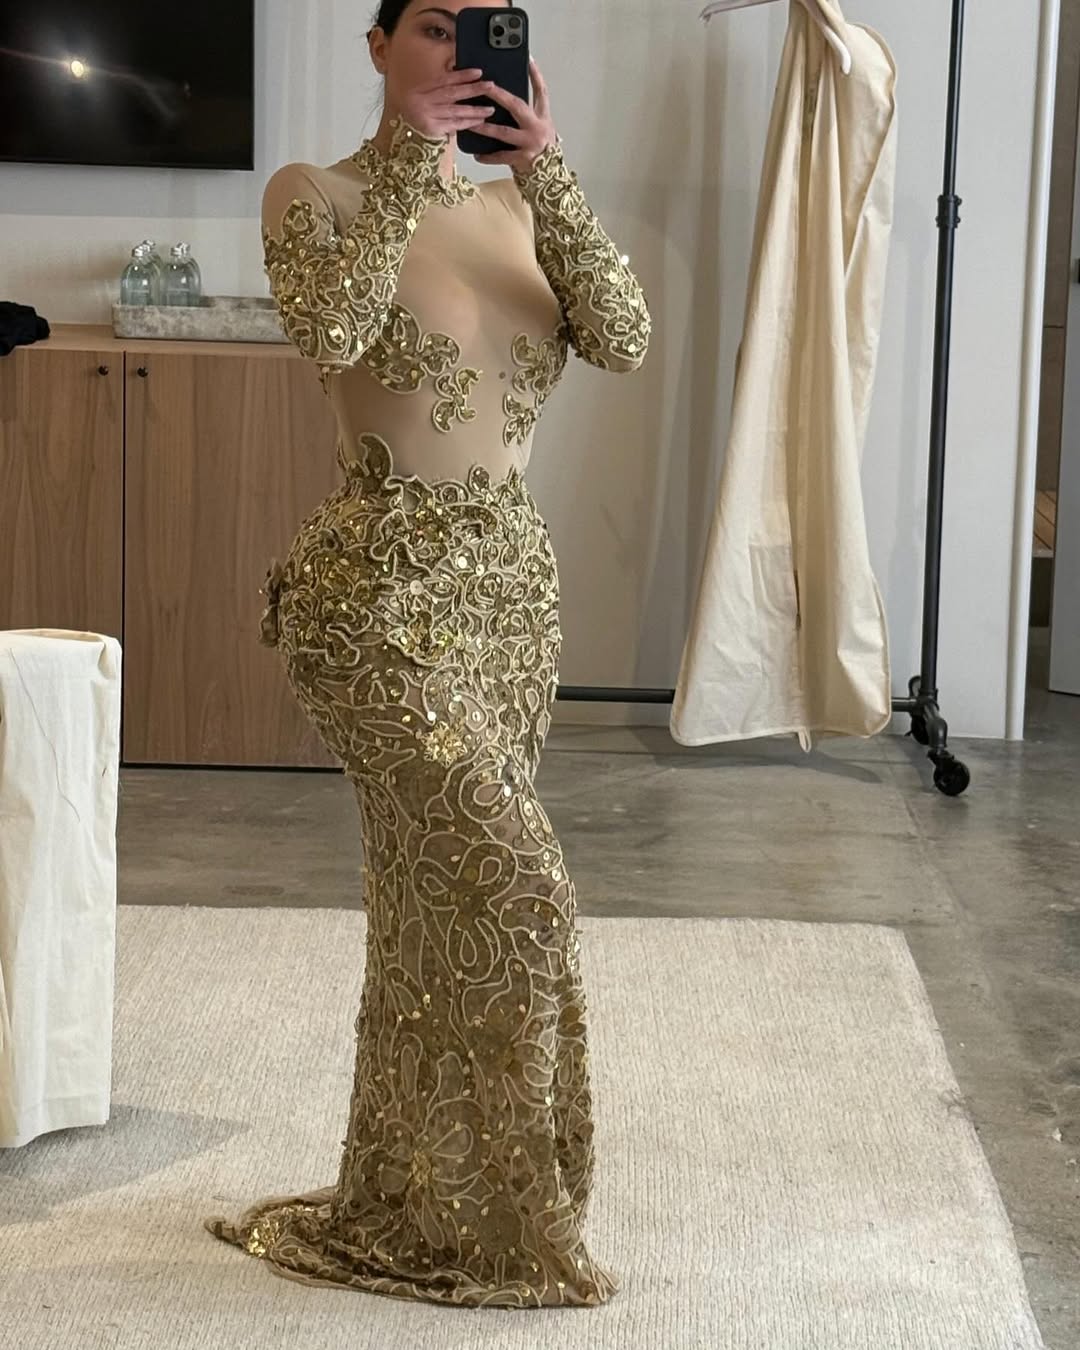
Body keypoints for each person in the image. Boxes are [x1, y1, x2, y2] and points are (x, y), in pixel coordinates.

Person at [203, 0, 650, 1309]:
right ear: (379, 46)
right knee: (523, 888)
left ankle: (416, 1203)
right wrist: (408, 153)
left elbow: (625, 337)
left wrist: (546, 170)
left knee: (430, 910)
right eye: (438, 27)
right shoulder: (314, 194)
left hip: (510, 606)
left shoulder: (519, 210)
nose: (462, 55)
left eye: (486, 27)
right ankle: (517, 1221)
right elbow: (331, 332)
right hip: (374, 605)